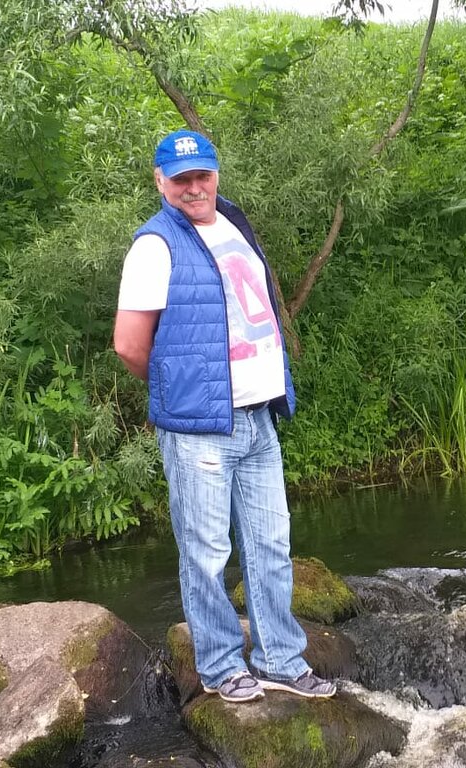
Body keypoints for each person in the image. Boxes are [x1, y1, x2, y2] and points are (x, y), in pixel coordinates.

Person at [113, 129, 336, 703]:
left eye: (202, 175)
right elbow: (130, 345)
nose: (194, 187)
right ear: (160, 182)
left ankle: (280, 660)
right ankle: (218, 667)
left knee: (270, 545)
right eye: (181, 178)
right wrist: (184, 394)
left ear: (216, 174)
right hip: (199, 429)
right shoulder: (155, 245)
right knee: (206, 553)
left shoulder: (234, 223)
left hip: (260, 417)